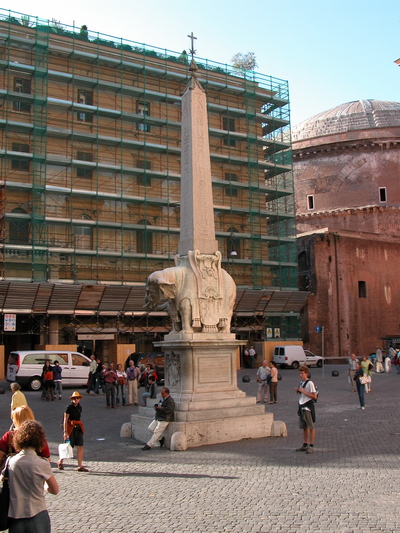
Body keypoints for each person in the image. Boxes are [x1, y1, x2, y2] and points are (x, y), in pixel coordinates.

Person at [1, 420, 59, 533]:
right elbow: (54, 490)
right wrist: (44, 487)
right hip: (37, 513)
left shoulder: (11, 461)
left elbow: (3, 479)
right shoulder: (42, 463)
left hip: (15, 515)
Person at [58, 391, 88, 472]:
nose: (76, 400)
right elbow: (65, 420)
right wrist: (65, 431)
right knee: (67, 447)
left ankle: (80, 466)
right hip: (70, 428)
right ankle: (60, 461)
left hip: (77, 428)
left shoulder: (79, 407)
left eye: (77, 398)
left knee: (80, 446)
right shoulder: (69, 408)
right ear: (72, 399)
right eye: (74, 398)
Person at [295, 365, 317, 454]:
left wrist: (304, 392)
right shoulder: (301, 383)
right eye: (300, 373)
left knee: (311, 426)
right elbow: (302, 393)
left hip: (308, 407)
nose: (301, 375)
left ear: (306, 374)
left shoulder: (310, 383)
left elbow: (314, 396)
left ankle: (311, 445)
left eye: (302, 373)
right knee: (304, 427)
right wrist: (299, 391)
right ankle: (305, 444)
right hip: (301, 405)